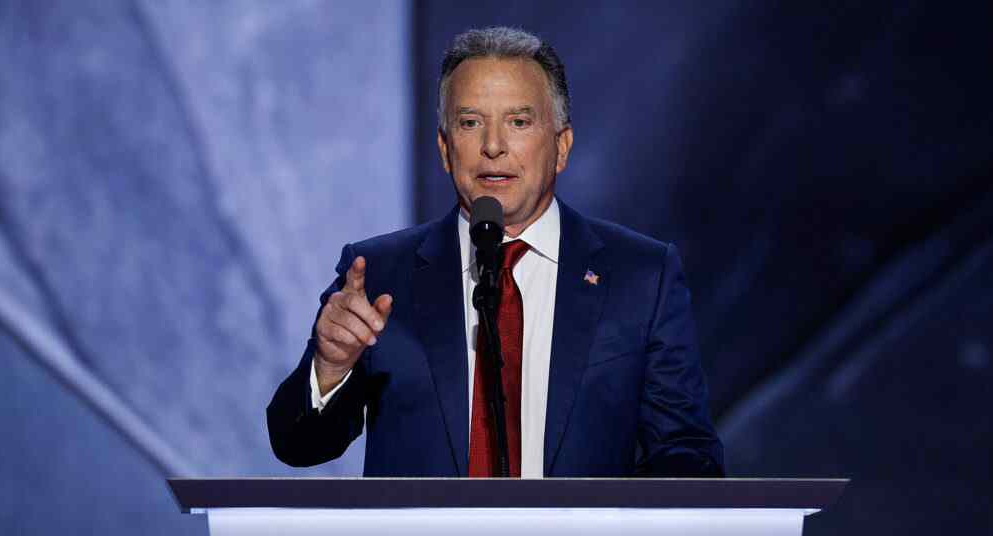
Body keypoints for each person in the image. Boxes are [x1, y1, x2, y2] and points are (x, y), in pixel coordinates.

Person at [267, 27, 724, 478]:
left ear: (561, 147)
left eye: (518, 122)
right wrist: (330, 368)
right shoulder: (378, 276)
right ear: (445, 149)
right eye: (470, 123)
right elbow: (296, 445)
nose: (493, 146)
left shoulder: (641, 276)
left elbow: (687, 456)